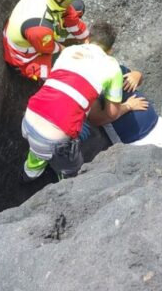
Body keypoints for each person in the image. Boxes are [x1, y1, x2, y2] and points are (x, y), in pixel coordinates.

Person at [21, 23, 148, 180]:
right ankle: (65, 180)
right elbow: (112, 113)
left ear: (87, 39)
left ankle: (29, 173)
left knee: (38, 148)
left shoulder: (70, 51)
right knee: (73, 168)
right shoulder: (112, 66)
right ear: (110, 51)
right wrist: (129, 105)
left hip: (29, 117)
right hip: (54, 138)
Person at [3, 0, 90, 81]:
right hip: (26, 55)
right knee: (50, 76)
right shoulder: (40, 27)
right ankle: (30, 75)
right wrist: (67, 50)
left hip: (39, 34)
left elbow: (70, 15)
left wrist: (86, 39)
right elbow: (47, 48)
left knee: (78, 6)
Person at [90, 66, 162, 150]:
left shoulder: (114, 68)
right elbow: (97, 119)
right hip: (133, 142)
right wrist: (128, 106)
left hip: (158, 124)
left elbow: (137, 79)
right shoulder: (91, 86)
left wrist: (137, 75)